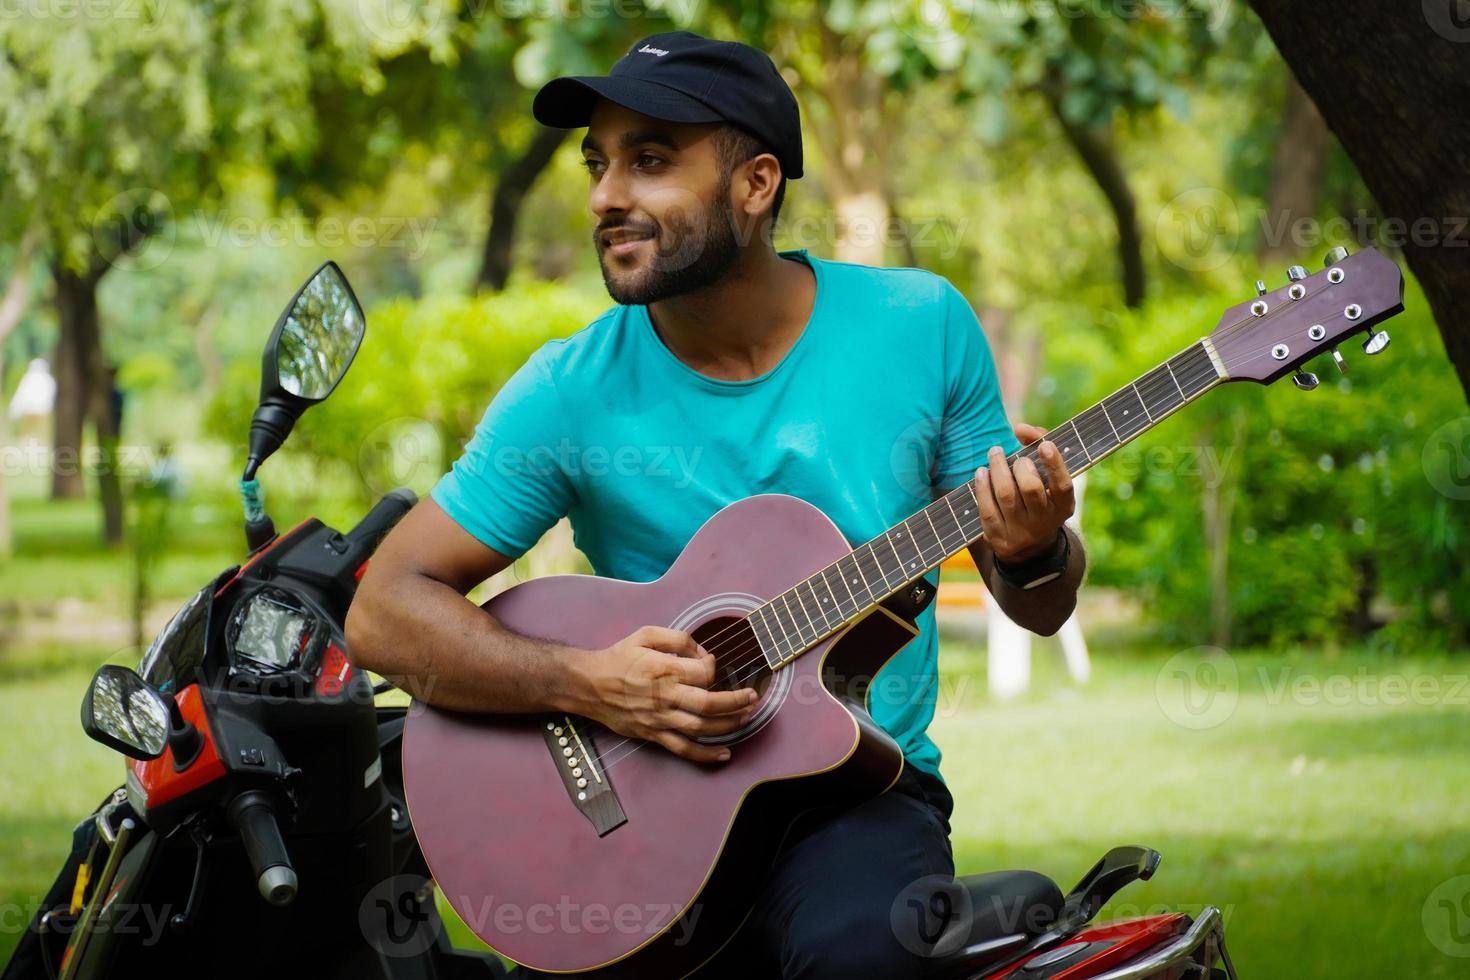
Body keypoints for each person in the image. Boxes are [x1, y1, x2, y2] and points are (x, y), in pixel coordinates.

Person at [347, 31, 1085, 978]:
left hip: (856, 796)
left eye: (650, 160)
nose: (608, 196)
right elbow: (384, 611)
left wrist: (1033, 548)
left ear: (756, 184)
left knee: (862, 959)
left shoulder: (919, 326)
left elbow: (1040, 604)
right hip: (635, 819)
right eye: (598, 164)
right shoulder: (569, 392)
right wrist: (588, 683)